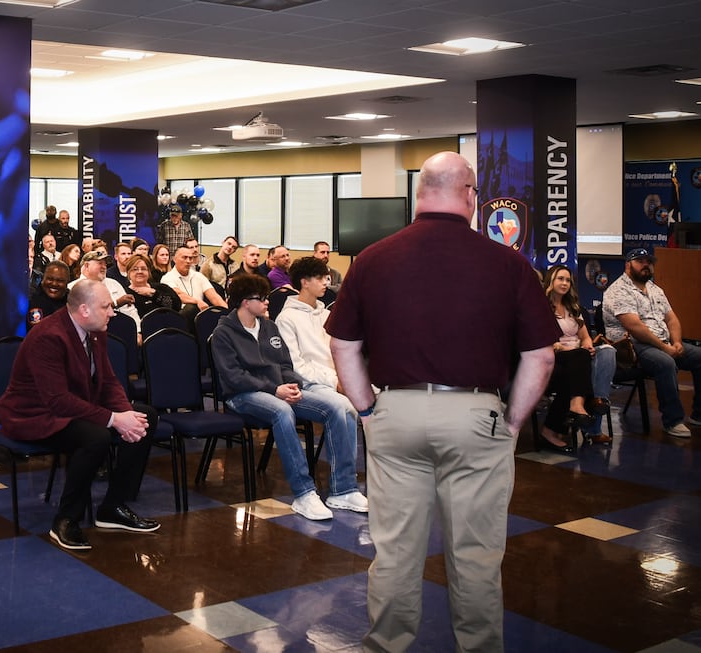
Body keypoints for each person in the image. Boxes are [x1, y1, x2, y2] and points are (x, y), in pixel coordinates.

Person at [326, 151, 557, 652]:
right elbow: (540, 357)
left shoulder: (371, 259)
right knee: (475, 557)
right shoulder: (508, 263)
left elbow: (343, 346)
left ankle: (385, 645)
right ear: (471, 194)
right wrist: (512, 423)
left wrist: (367, 410)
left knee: (393, 553)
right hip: (476, 416)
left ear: (419, 192)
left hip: (395, 413)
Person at [0, 280, 160, 551]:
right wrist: (113, 419)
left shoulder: (95, 330)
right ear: (84, 309)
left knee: (145, 416)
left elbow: (108, 382)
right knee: (95, 436)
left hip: (74, 408)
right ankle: (66, 520)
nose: (112, 312)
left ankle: (112, 506)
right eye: (106, 306)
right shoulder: (49, 336)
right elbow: (58, 401)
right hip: (35, 415)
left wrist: (126, 415)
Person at [211, 273, 367, 520]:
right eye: (261, 299)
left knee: (340, 407)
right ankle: (304, 493)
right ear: (244, 302)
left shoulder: (269, 327)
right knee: (281, 410)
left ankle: (344, 489)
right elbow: (234, 377)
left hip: (279, 390)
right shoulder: (223, 333)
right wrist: (275, 389)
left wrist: (293, 385)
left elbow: (284, 365)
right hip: (242, 395)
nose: (266, 303)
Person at [603, 247, 701, 438]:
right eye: (640, 261)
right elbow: (634, 327)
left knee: (700, 357)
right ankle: (673, 421)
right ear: (628, 265)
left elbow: (672, 319)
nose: (646, 265)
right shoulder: (618, 290)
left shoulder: (656, 290)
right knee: (665, 363)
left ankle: (699, 414)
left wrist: (677, 342)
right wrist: (665, 348)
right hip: (631, 346)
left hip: (663, 342)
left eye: (649, 262)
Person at [539, 265, 612, 451]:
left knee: (605, 352)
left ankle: (554, 427)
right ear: (550, 281)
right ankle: (583, 404)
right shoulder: (541, 306)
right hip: (553, 355)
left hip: (576, 358)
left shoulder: (573, 307)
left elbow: (585, 335)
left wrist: (587, 343)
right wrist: (545, 300)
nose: (564, 283)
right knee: (578, 359)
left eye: (567, 280)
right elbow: (541, 336)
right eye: (560, 279)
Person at [275, 257, 341, 390]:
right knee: (346, 407)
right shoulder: (286, 319)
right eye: (319, 278)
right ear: (305, 282)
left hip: (338, 378)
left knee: (377, 395)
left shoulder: (327, 315)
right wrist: (335, 382)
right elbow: (296, 366)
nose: (325, 283)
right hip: (311, 384)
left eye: (325, 278)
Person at [68, 251, 140, 330]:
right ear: (87, 265)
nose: (104, 267)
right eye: (100, 263)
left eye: (105, 264)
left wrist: (138, 331)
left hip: (120, 333)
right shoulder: (72, 288)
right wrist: (116, 303)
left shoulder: (114, 284)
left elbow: (130, 311)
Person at [161, 246, 227, 320]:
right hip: (178, 317)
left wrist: (228, 312)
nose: (188, 261)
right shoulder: (167, 278)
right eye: (184, 257)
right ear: (175, 259)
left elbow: (214, 297)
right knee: (190, 308)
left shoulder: (198, 276)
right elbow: (178, 294)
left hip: (199, 317)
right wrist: (197, 301)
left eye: (190, 258)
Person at [27, 260, 69, 331]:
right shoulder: (31, 299)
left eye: (60, 281)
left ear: (67, 282)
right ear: (43, 278)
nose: (54, 284)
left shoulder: (73, 301)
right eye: (50, 279)